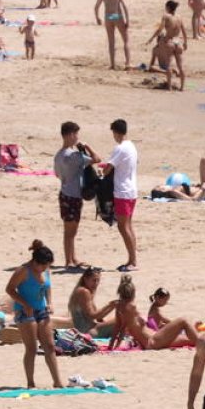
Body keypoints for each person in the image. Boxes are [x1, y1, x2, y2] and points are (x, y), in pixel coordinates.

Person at [5, 241, 62, 388]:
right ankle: (30, 382)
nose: (45, 268)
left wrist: (50, 302)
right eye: (43, 266)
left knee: (49, 346)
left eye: (47, 266)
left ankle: (57, 381)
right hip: (25, 311)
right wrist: (25, 304)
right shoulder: (23, 271)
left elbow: (47, 287)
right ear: (35, 262)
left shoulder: (46, 269)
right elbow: (10, 289)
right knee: (32, 348)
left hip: (42, 310)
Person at [54, 121, 102, 269]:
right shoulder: (73, 156)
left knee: (70, 230)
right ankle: (69, 260)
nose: (77, 137)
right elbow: (97, 159)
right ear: (70, 135)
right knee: (70, 231)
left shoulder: (58, 155)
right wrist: (87, 147)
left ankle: (72, 258)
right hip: (72, 196)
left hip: (65, 193)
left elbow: (57, 174)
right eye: (75, 134)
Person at [108, 276, 198, 350]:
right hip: (153, 341)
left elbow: (118, 327)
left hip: (153, 340)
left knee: (187, 339)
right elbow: (122, 328)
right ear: (133, 293)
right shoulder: (131, 307)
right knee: (184, 321)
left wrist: (111, 347)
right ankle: (203, 345)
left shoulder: (119, 307)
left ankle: (203, 341)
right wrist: (114, 347)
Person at [101, 118, 139, 271]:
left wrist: (103, 171)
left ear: (116, 132)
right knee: (128, 225)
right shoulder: (132, 146)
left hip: (122, 191)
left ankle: (133, 261)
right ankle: (132, 258)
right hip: (132, 190)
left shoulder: (120, 148)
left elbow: (108, 169)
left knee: (123, 227)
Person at [67, 267, 117, 337]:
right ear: (85, 279)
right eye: (94, 280)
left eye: (98, 280)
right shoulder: (84, 292)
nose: (96, 283)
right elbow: (92, 315)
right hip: (89, 332)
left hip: (86, 330)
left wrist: (112, 306)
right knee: (124, 317)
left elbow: (99, 317)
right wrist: (109, 305)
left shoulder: (83, 290)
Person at [149, 0, 187, 92]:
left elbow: (159, 29)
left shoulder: (166, 16)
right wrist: (185, 42)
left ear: (168, 7)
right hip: (178, 42)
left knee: (169, 65)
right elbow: (184, 31)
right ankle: (182, 88)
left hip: (169, 41)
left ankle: (169, 87)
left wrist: (151, 38)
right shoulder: (179, 17)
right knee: (181, 66)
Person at [94, 0, 131, 71]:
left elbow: (96, 7)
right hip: (117, 15)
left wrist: (97, 18)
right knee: (126, 40)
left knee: (111, 42)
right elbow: (124, 6)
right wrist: (127, 20)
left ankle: (112, 64)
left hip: (108, 17)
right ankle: (127, 63)